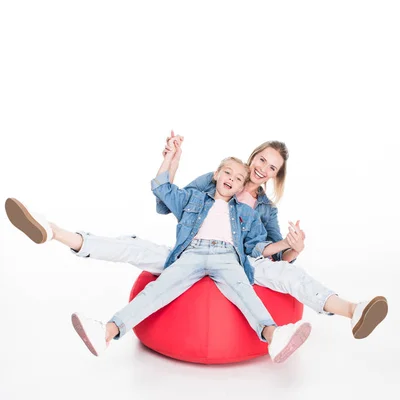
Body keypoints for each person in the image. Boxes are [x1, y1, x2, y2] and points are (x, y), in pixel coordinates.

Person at [5, 133, 388, 353]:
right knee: (134, 247)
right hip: (185, 251)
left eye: (271, 167)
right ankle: (53, 231)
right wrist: (171, 159)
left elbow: (266, 252)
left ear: (274, 175)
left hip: (237, 261)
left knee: (290, 277)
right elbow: (167, 197)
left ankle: (351, 309)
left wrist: (293, 246)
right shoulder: (212, 184)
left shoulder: (260, 213)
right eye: (260, 160)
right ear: (239, 164)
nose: (259, 169)